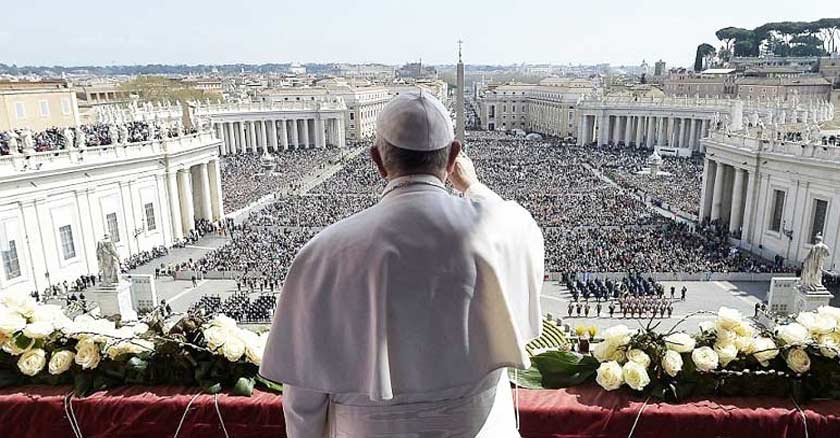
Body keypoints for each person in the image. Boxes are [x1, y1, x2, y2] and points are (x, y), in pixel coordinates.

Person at [260, 92, 544, 438]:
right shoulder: (499, 230)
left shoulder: (323, 253)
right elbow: (518, 224)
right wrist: (472, 186)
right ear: (454, 156)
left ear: (377, 160)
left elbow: (303, 398)